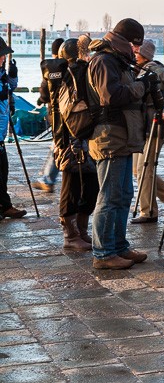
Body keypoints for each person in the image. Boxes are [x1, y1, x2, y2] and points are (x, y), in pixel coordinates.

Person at [87, 18, 150, 269]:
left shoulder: (117, 59)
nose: (136, 51)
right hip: (108, 137)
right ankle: (103, 253)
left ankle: (118, 246)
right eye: (135, 46)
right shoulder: (103, 60)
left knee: (124, 194)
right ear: (126, 42)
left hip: (120, 136)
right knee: (109, 197)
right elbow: (110, 96)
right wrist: (140, 87)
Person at [43, 39, 98, 250]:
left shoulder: (73, 73)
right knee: (72, 184)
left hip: (81, 136)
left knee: (89, 183)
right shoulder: (70, 74)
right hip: (70, 137)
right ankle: (70, 234)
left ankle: (81, 230)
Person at [130, 40, 164, 224]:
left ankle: (149, 211)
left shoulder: (154, 70)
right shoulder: (139, 70)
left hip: (154, 126)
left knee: (145, 168)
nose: (134, 55)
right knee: (139, 170)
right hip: (144, 127)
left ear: (143, 55)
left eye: (136, 53)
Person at [33, 37, 65, 193]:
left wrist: (41, 99)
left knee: (58, 145)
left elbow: (45, 91)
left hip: (56, 113)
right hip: (71, 112)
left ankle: (48, 178)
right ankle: (48, 177)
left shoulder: (51, 67)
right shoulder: (71, 65)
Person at [0, 39, 27, 220]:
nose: (3, 58)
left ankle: (4, 205)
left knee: (3, 170)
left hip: (1, 130)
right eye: (1, 55)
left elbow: (10, 88)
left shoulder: (1, 73)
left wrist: (12, 75)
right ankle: (5, 205)